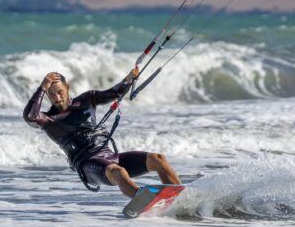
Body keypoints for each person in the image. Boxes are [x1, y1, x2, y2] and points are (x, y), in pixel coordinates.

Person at [23, 70, 181, 198]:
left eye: (60, 92)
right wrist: (42, 88)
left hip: (109, 156)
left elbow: (115, 93)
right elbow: (29, 116)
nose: (57, 98)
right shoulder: (48, 120)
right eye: (51, 94)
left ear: (67, 88)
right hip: (87, 164)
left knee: (158, 159)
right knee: (119, 172)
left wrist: (128, 79)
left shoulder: (87, 99)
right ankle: (143, 201)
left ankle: (177, 197)